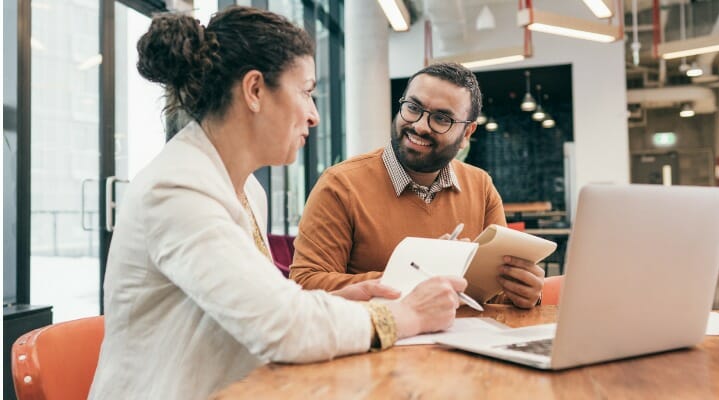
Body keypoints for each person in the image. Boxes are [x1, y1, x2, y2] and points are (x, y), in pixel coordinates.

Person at [88, 7, 467, 399]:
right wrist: (406, 315)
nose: (314, 115)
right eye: (306, 92)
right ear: (254, 90)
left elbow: (251, 306)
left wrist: (331, 301)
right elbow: (281, 329)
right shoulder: (175, 190)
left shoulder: (248, 189)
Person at [289, 62, 544, 309]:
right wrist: (416, 275)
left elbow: (492, 295)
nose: (419, 125)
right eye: (413, 107)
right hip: (382, 347)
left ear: (467, 134)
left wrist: (522, 292)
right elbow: (306, 285)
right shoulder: (340, 185)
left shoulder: (481, 186)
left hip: (466, 344)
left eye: (442, 118)